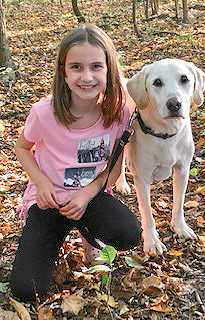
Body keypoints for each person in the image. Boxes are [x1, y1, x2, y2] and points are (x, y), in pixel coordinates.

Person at [10, 24, 141, 303]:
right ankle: (49, 238)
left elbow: (113, 169)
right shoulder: (43, 113)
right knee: (27, 290)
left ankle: (89, 234)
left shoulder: (118, 113)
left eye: (96, 66)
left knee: (129, 235)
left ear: (109, 69)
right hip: (49, 200)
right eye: (77, 67)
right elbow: (22, 148)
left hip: (90, 196)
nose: (87, 76)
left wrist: (86, 193)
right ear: (64, 72)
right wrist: (42, 183)